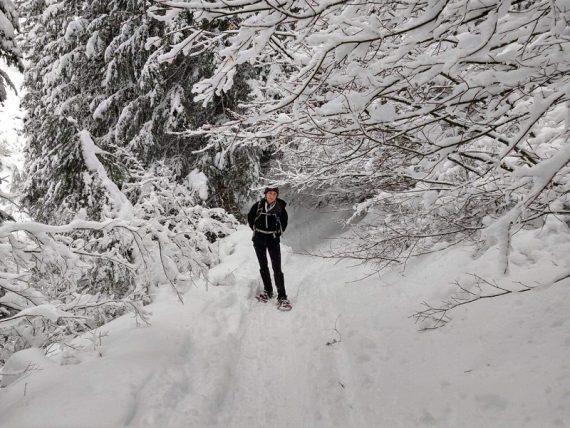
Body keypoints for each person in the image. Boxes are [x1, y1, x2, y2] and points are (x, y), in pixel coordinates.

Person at [247, 186, 291, 310]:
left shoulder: (280, 207)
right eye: (269, 193)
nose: (271, 196)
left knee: (277, 268)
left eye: (274, 194)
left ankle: (282, 296)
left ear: (276, 195)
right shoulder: (258, 206)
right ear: (265, 194)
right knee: (263, 266)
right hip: (259, 240)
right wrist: (258, 231)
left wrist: (275, 233)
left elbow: (284, 222)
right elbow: (250, 219)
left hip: (273, 240)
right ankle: (268, 290)